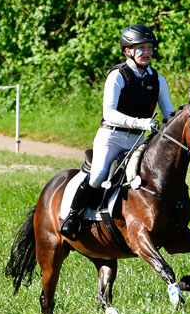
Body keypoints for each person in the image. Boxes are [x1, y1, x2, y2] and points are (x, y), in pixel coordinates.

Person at [59, 23, 175, 239]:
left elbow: (168, 113)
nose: (147, 52)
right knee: (98, 176)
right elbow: (109, 113)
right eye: (141, 48)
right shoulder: (118, 75)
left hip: (139, 142)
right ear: (128, 51)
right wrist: (141, 123)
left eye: (150, 48)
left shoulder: (157, 79)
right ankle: (72, 217)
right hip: (112, 137)